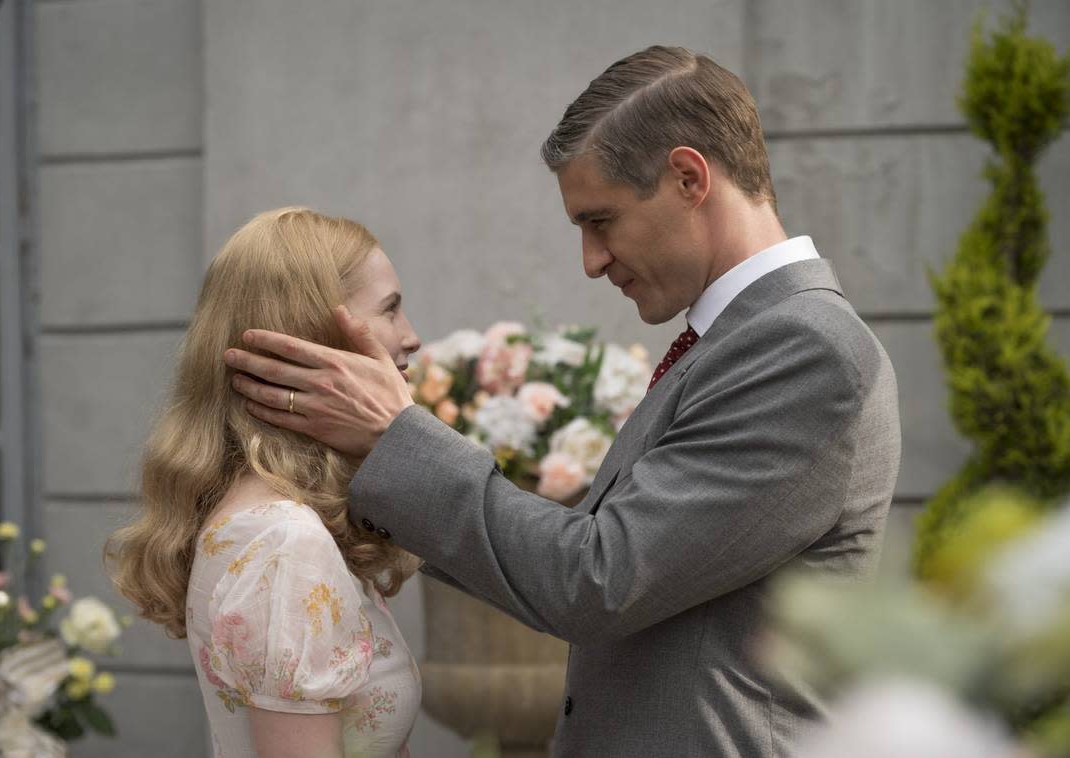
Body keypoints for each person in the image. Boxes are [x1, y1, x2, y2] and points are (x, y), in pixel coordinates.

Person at [224, 46, 902, 757]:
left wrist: (394, 436)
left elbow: (597, 579)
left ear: (688, 176)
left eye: (600, 220)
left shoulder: (804, 348)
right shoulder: (739, 339)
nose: (591, 260)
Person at [107, 208, 423, 758]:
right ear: (316, 338)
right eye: (390, 310)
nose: (411, 338)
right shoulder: (282, 540)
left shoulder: (285, 523)